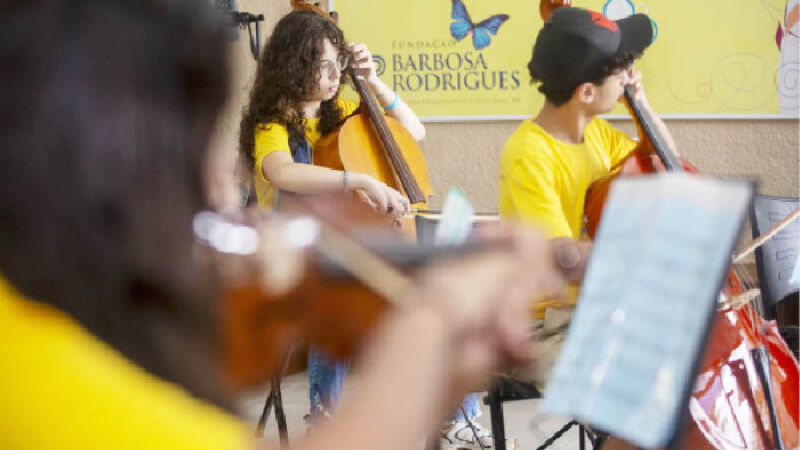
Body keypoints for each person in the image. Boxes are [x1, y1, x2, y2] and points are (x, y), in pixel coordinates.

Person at [0, 1, 565, 449]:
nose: (222, 174)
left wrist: (374, 85)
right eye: (192, 138)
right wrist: (436, 319)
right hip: (300, 238)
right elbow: (277, 170)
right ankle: (328, 404)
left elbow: (409, 132)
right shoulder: (38, 367)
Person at [498, 7, 678, 385]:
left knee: (684, 364)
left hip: (601, 308)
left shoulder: (596, 134)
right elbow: (562, 257)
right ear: (586, 91)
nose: (629, 78)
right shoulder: (529, 153)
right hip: (546, 323)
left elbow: (664, 158)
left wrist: (637, 102)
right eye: (621, 73)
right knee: (639, 389)